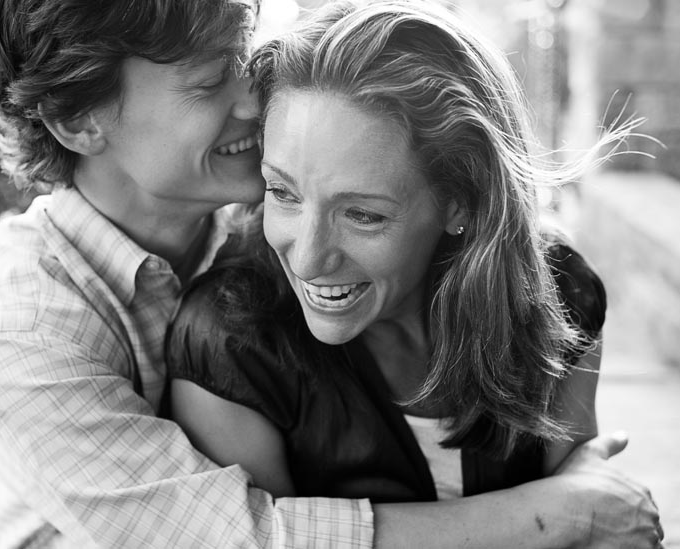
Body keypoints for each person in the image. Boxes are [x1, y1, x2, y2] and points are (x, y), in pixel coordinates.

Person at [0, 0, 660, 547]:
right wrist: (549, 516)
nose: (254, 100)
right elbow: (246, 536)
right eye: (206, 84)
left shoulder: (261, 205)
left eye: (239, 60)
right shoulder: (22, 332)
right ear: (78, 123)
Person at [167, 1, 664, 547]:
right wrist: (562, 517)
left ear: (461, 202)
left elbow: (596, 531)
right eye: (283, 192)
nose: (307, 260)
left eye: (363, 214)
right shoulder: (228, 338)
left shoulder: (559, 290)